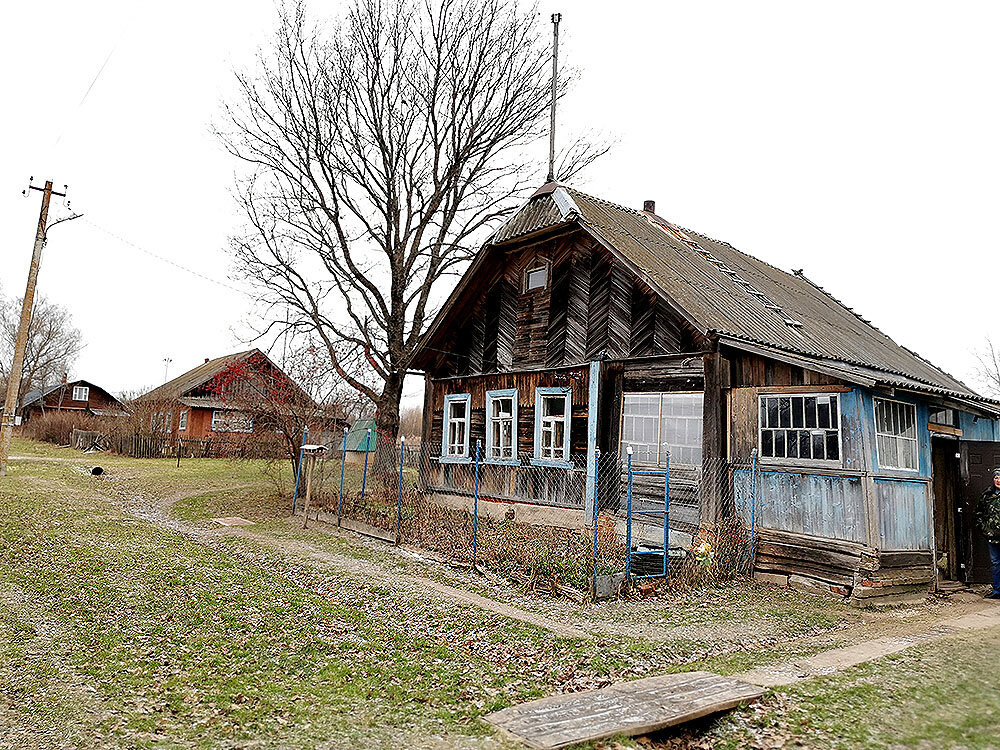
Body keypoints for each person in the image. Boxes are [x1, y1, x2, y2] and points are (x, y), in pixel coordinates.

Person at [977, 467, 1000, 600]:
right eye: (996, 477)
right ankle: (997, 590)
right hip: (992, 537)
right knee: (996, 563)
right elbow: (979, 514)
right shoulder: (987, 495)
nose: (998, 480)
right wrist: (985, 530)